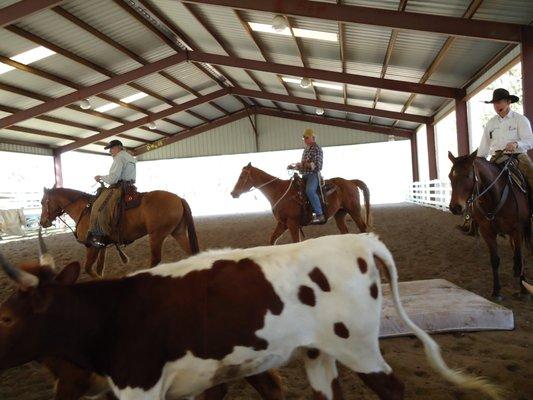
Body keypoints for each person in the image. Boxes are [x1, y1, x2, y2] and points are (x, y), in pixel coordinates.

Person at [459, 88, 533, 234]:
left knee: (532, 176)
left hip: (517, 156)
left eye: (499, 102)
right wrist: (477, 162)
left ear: (508, 102)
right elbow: (483, 148)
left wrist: (516, 144)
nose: (496, 105)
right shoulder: (491, 124)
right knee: (477, 181)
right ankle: (471, 219)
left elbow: (530, 140)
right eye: (494, 103)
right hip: (496, 158)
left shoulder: (520, 119)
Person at [88, 140, 137, 248]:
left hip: (119, 187)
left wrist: (100, 177)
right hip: (130, 187)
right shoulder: (130, 157)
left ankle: (98, 237)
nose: (110, 151)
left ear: (119, 147)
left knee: (97, 206)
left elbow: (113, 178)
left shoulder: (119, 157)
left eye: (112, 148)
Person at [288, 128, 325, 224]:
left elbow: (317, 165)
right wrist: (295, 167)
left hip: (313, 175)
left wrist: (303, 164)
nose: (305, 139)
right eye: (304, 138)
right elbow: (303, 165)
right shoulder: (305, 150)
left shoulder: (317, 148)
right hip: (304, 175)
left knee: (310, 191)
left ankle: (319, 214)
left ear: (313, 137)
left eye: (306, 137)